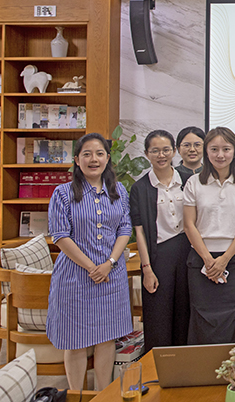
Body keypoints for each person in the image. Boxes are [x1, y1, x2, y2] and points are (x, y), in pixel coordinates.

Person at [47, 133, 132, 390]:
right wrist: (91, 267)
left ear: (107, 158)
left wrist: (109, 263)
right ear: (77, 160)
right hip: (74, 277)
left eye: (99, 154)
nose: (93, 159)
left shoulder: (119, 191)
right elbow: (60, 235)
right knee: (75, 341)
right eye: (87, 154)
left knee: (107, 338)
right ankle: (76, 395)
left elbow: (125, 228)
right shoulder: (62, 193)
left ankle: (102, 394)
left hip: (112, 276)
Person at [183, 127, 235, 345]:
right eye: (214, 149)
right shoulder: (194, 182)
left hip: (234, 258)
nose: (220, 155)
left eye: (226, 149)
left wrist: (224, 259)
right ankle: (201, 364)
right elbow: (189, 224)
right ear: (206, 152)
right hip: (200, 259)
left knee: (233, 315)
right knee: (201, 314)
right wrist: (208, 259)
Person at [130, 130, 193, 354]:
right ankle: (156, 368)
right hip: (158, 256)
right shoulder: (140, 188)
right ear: (146, 153)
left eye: (166, 150)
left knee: (186, 313)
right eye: (155, 150)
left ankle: (185, 366)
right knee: (158, 316)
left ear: (174, 151)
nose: (161, 155)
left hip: (187, 253)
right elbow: (139, 231)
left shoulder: (189, 181)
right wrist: (146, 268)